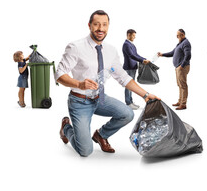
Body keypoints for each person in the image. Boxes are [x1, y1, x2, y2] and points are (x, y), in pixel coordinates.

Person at [56, 10, 160, 157]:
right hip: (80, 101)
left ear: (108, 26)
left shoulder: (111, 51)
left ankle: (101, 135)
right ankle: (66, 127)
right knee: (85, 151)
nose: (100, 29)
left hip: (100, 99)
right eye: (96, 24)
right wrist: (79, 84)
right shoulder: (76, 47)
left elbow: (123, 77)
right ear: (89, 25)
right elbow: (59, 74)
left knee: (127, 114)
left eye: (104, 25)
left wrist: (146, 95)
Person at [157, 29, 191, 110]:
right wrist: (162, 54)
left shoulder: (186, 43)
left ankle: (183, 104)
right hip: (178, 67)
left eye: (178, 35)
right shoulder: (179, 44)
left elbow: (188, 55)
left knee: (183, 85)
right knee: (179, 85)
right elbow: (172, 53)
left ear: (182, 35)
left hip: (182, 67)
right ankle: (180, 101)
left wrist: (181, 66)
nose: (177, 36)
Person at [122, 29, 150, 110]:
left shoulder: (131, 45)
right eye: (133, 35)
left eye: (134, 36)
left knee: (132, 86)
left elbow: (136, 54)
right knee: (129, 86)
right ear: (128, 35)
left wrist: (144, 58)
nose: (134, 37)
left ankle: (131, 102)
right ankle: (128, 103)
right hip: (129, 67)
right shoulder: (126, 44)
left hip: (133, 67)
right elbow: (131, 55)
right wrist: (142, 60)